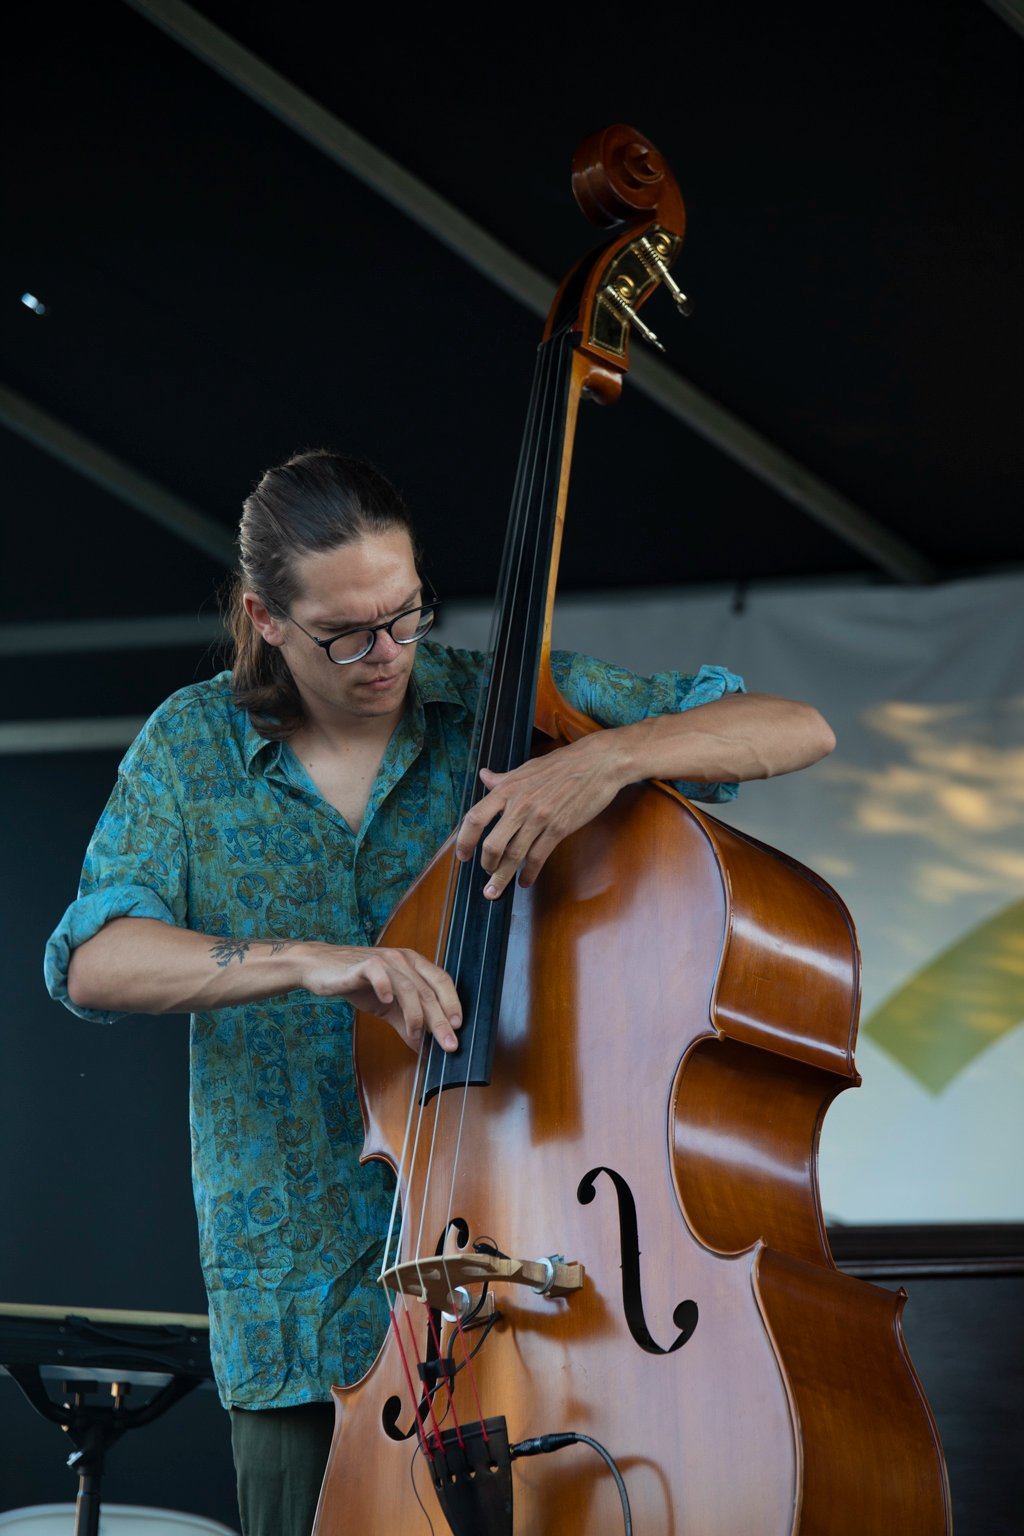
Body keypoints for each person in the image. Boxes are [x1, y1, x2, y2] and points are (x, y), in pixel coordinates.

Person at [44, 449, 835, 1536]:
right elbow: (92, 958)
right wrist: (311, 960)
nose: (387, 655)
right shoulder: (189, 746)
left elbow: (794, 727)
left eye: (406, 615)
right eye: (346, 634)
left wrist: (601, 762)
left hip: (521, 1279)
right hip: (300, 1301)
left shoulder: (502, 707)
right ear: (265, 618)